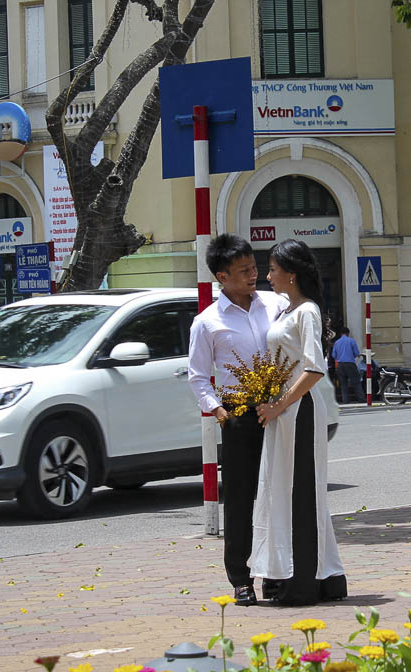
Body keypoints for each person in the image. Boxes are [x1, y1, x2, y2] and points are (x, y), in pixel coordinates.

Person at [188, 234, 285, 607]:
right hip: (239, 414)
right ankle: (242, 579)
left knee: (279, 495)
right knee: (241, 500)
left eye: (254, 267)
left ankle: (277, 574)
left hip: (279, 408)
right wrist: (218, 410)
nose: (252, 275)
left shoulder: (275, 304)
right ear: (222, 276)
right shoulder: (207, 322)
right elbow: (198, 376)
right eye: (243, 270)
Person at [250, 239, 347, 606]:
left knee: (301, 492)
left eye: (273, 269)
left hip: (299, 410)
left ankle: (303, 580)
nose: (268, 276)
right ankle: (289, 574)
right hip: (282, 411)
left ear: (291, 274)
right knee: (278, 489)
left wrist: (279, 405)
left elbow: (314, 368)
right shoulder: (286, 311)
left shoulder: (307, 311)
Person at [329, 327, 362, 404]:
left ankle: (345, 400)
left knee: (343, 384)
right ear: (348, 333)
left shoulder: (337, 342)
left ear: (341, 334)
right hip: (350, 364)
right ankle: (361, 399)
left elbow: (334, 355)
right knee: (356, 382)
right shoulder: (351, 341)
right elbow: (356, 353)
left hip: (340, 365)